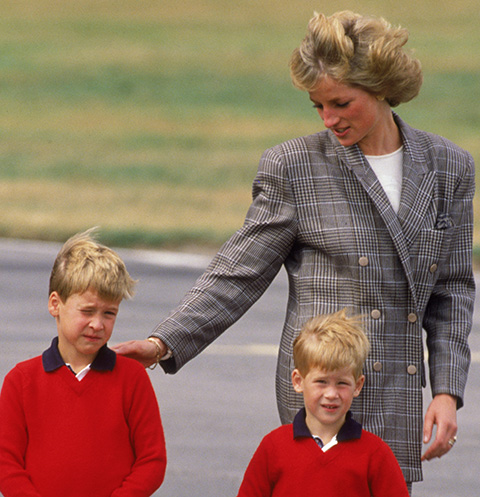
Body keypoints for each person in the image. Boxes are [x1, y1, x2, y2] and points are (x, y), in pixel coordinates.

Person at [113, 10, 475, 491]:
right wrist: (164, 343)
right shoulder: (294, 166)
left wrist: (447, 391)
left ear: (382, 87)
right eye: (317, 106)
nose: (329, 119)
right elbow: (238, 273)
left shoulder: (450, 166)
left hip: (395, 392)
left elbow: (452, 291)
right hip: (322, 389)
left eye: (341, 103)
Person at [0, 229, 167, 497]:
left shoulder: (132, 378)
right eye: (87, 311)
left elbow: (152, 461)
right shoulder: (20, 381)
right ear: (55, 304)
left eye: (109, 313)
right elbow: (6, 465)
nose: (97, 324)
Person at [236, 309, 409, 496]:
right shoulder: (273, 447)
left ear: (358, 385)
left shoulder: (375, 453)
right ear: (298, 381)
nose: (331, 394)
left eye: (342, 383)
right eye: (321, 382)